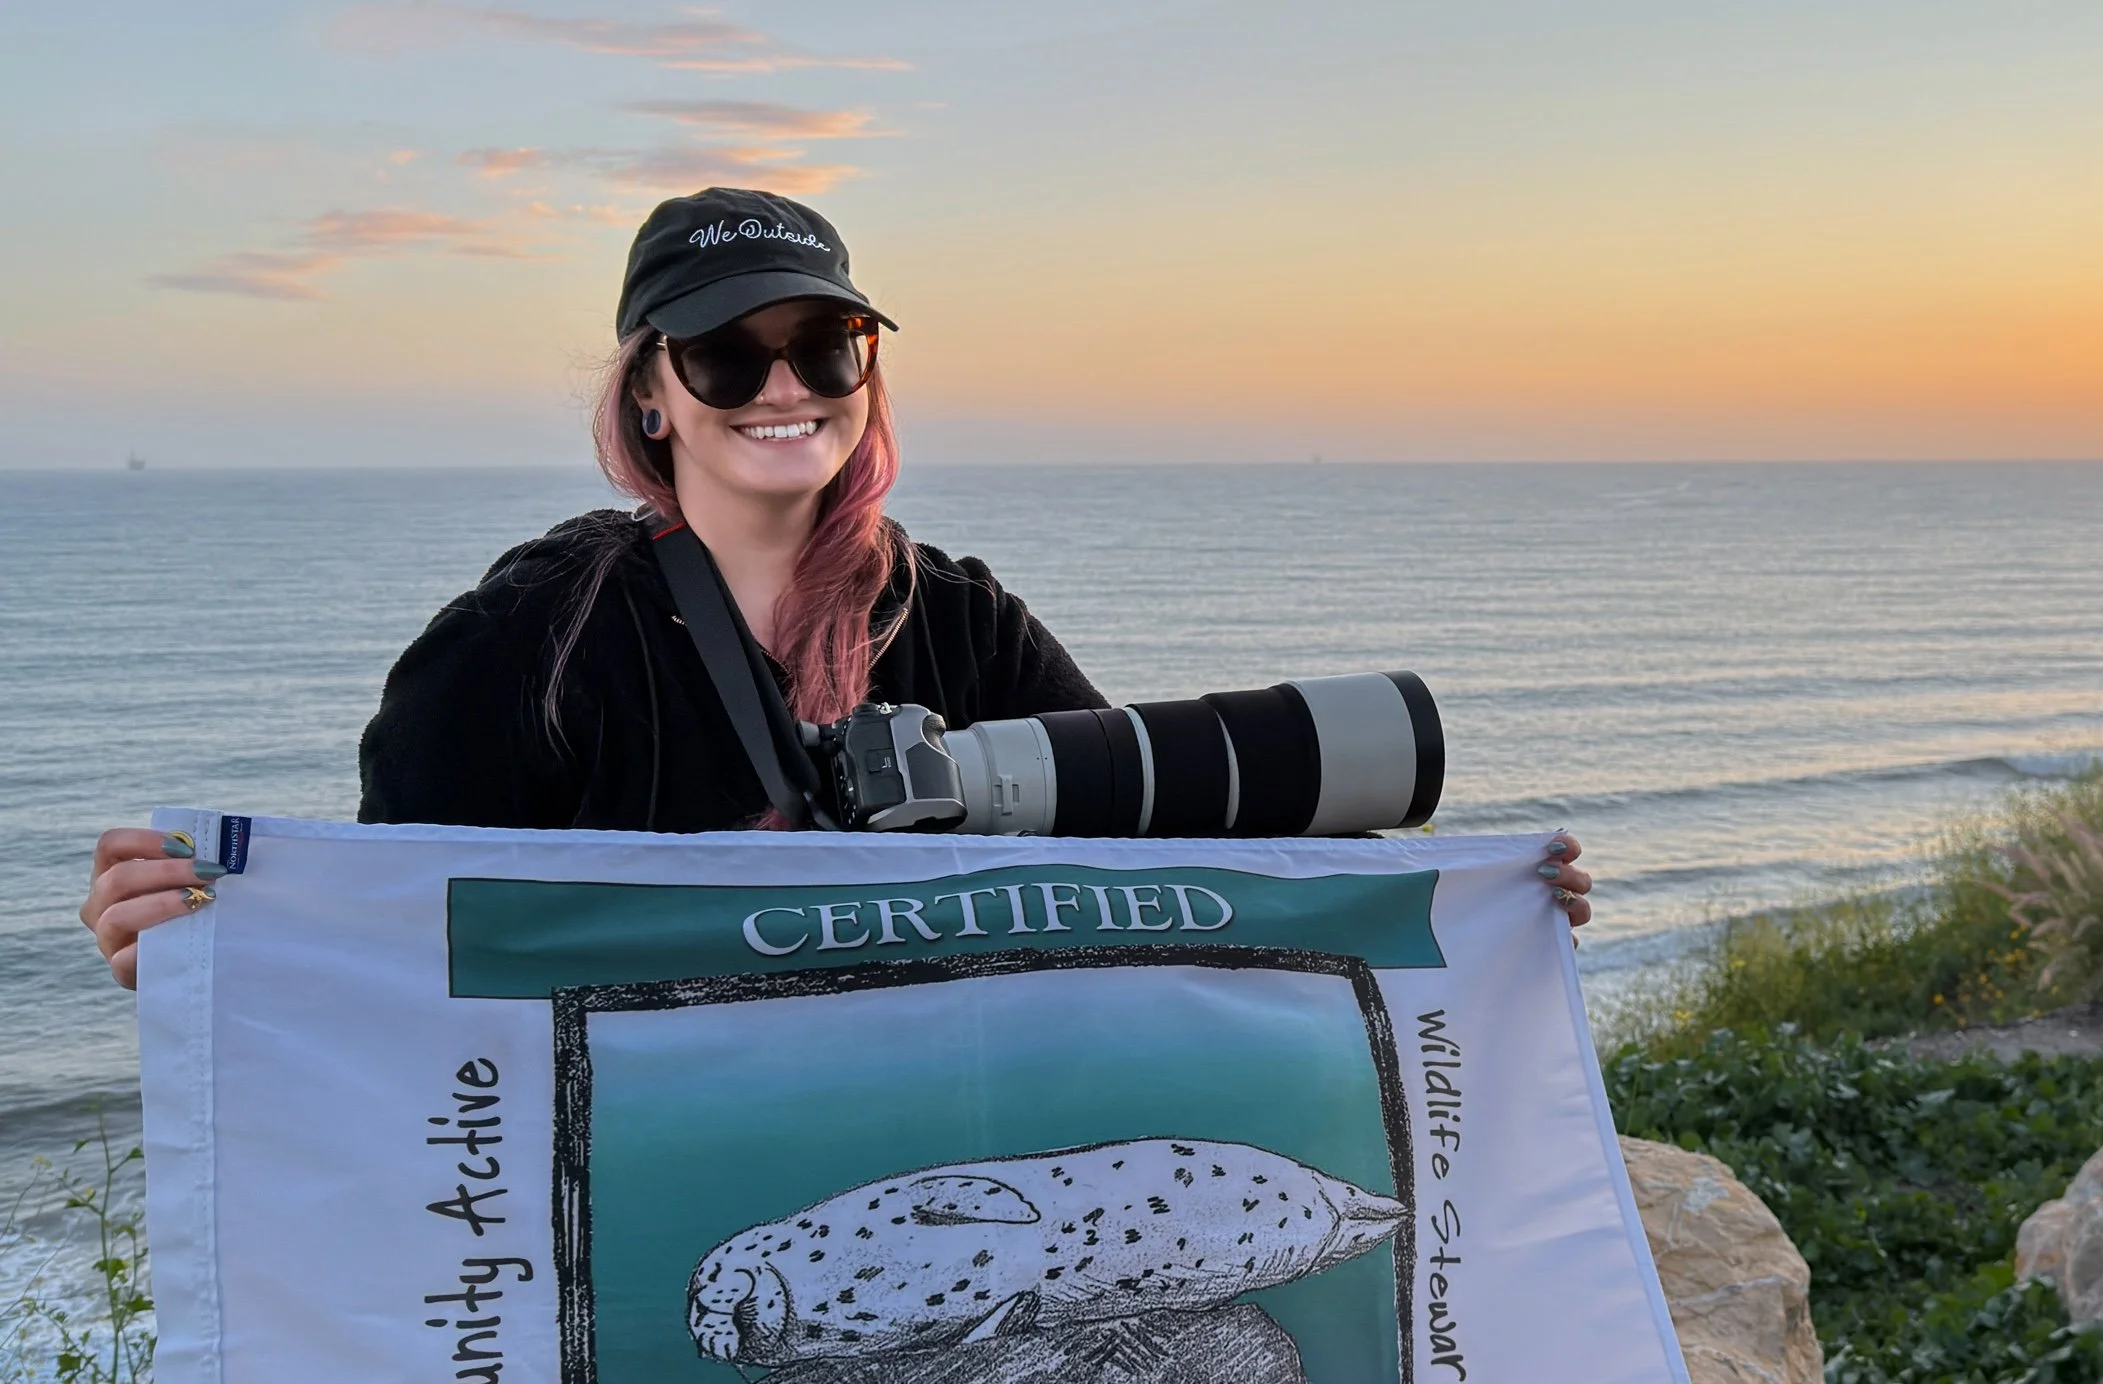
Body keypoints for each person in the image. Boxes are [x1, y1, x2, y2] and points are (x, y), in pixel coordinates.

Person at [81, 186, 1592, 982]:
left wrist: (1468, 905)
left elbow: (1166, 852)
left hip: (938, 1155)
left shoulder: (956, 615)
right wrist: (203, 949)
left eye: (826, 346)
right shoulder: (523, 648)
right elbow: (399, 950)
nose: (782, 383)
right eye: (729, 351)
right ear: (653, 394)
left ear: (867, 373)